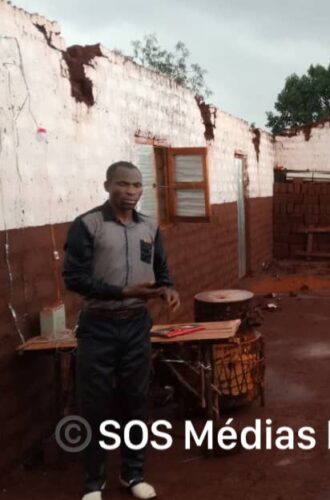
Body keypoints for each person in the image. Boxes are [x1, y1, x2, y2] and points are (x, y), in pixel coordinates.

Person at [63, 161, 180, 500]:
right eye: (122, 185)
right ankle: (93, 482)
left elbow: (161, 269)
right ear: (107, 186)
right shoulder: (88, 225)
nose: (130, 192)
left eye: (136, 186)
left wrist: (166, 289)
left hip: (135, 326)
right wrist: (124, 292)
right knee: (95, 404)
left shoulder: (150, 228)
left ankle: (132, 474)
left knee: (135, 400)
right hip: (98, 326)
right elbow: (75, 279)